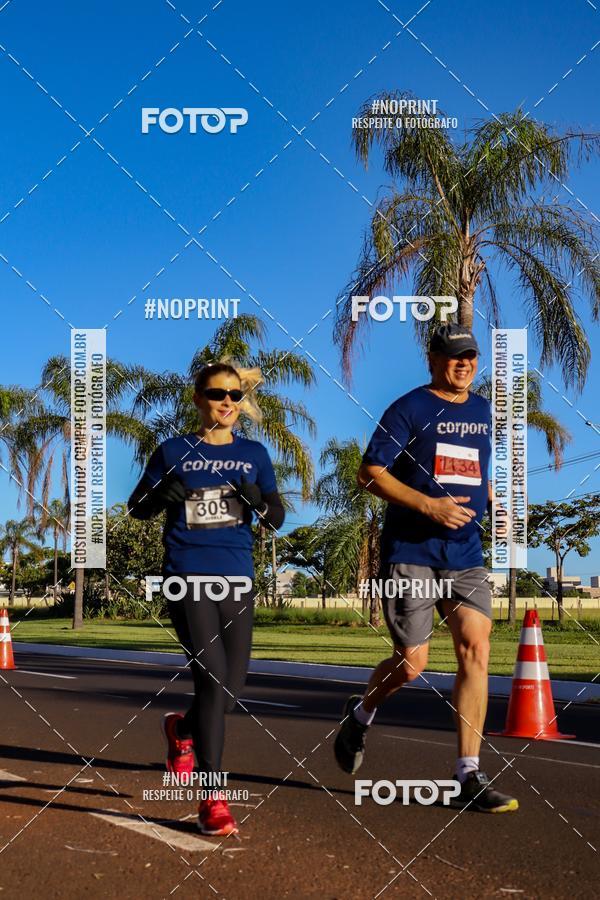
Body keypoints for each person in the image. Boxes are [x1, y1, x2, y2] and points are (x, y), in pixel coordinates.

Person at [333, 324, 518, 813]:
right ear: (433, 358)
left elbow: (470, 469)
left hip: (464, 554)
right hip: (412, 551)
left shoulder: (482, 411)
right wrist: (428, 506)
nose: (464, 365)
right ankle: (361, 712)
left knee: (477, 650)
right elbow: (369, 474)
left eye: (471, 357)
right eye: (454, 356)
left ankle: (468, 773)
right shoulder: (409, 408)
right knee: (413, 665)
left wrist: (493, 501)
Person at [128, 362, 285, 835]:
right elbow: (137, 507)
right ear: (198, 398)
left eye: (235, 395)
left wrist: (260, 500)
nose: (227, 402)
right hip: (186, 576)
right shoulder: (174, 450)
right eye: (217, 394)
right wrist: (160, 493)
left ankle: (181, 730)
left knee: (232, 687)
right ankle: (212, 798)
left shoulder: (254, 454)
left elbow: (276, 516)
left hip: (237, 578)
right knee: (212, 678)